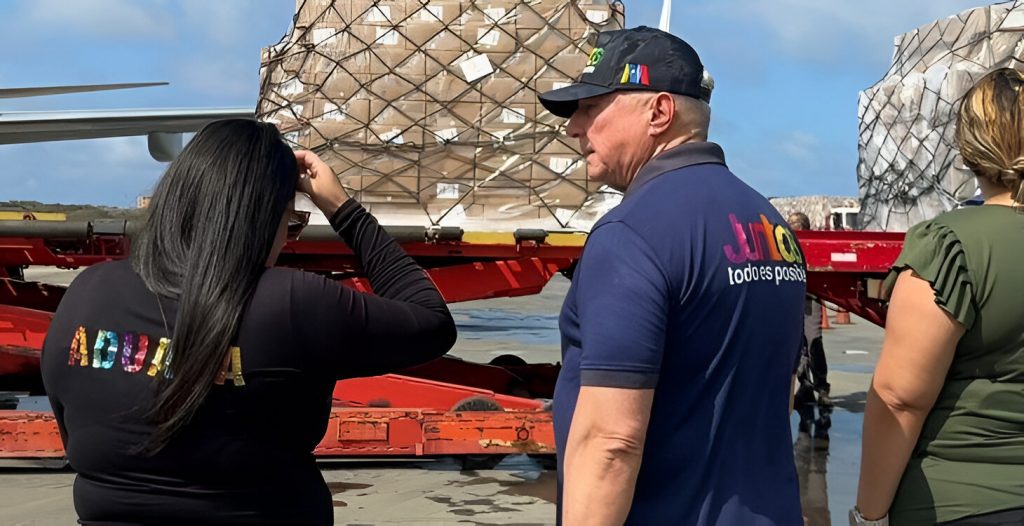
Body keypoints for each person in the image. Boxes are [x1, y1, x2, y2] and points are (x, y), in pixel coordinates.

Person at [40, 119, 457, 525]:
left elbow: (73, 426)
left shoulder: (86, 292)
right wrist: (342, 210)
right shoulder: (290, 302)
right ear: (260, 219)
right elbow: (432, 321)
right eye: (290, 223)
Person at [538, 26, 807, 525]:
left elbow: (611, 443)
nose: (574, 128)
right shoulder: (769, 223)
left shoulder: (630, 234)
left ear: (659, 113)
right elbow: (782, 394)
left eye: (590, 108)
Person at [854, 68, 1024, 525]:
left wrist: (869, 516)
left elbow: (899, 398)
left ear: (969, 149)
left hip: (961, 501)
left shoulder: (949, 246)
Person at [787, 212, 832, 447]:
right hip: (795, 293)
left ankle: (822, 386)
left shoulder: (812, 243)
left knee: (813, 339)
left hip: (810, 295)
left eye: (798, 227)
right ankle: (805, 385)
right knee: (799, 342)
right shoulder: (786, 243)